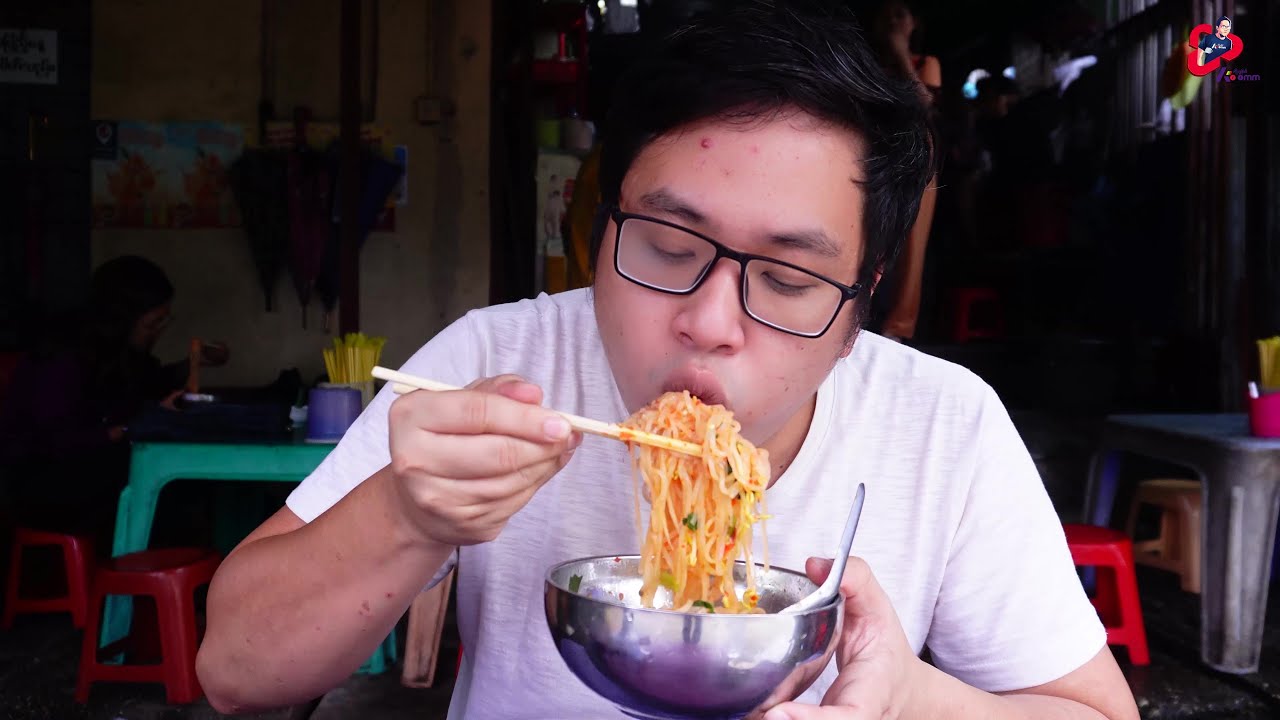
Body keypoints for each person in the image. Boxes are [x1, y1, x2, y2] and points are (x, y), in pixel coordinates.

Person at [196, 3, 1139, 719]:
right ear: (599, 223)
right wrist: (405, 514)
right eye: (666, 245)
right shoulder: (497, 359)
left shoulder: (943, 424)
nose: (710, 320)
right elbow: (233, 673)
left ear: (861, 302)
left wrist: (910, 698)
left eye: (788, 279)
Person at [0, 255, 227, 547]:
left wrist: (194, 364)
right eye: (152, 324)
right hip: (47, 486)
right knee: (168, 494)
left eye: (163, 322)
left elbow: (148, 384)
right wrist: (128, 429)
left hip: (93, 470)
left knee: (191, 487)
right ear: (122, 319)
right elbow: (56, 443)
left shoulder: (117, 353)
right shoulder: (60, 358)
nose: (158, 332)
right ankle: (139, 581)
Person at [869, 0, 941, 342]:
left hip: (913, 164)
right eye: (889, 13)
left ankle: (896, 327)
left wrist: (900, 50)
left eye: (902, 14)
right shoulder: (866, 63)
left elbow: (923, 104)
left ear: (914, 24)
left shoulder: (926, 64)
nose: (893, 21)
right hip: (873, 160)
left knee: (909, 249)